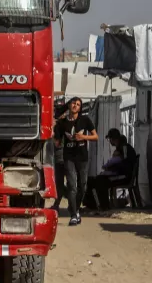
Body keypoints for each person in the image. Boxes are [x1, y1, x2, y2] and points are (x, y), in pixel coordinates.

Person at [53, 97, 97, 226]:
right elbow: (57, 141)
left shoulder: (85, 120)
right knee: (72, 186)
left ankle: (76, 208)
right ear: (69, 105)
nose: (75, 106)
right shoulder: (62, 123)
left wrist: (83, 137)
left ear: (80, 108)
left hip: (82, 157)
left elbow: (96, 136)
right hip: (69, 157)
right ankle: (73, 214)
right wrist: (54, 135)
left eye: (78, 104)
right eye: (73, 103)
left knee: (82, 186)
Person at [87, 128, 138, 211]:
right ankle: (92, 205)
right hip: (120, 174)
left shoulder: (124, 148)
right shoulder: (121, 147)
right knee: (91, 180)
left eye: (109, 139)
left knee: (101, 181)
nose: (109, 141)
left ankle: (105, 206)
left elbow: (125, 163)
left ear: (113, 139)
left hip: (124, 176)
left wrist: (112, 168)